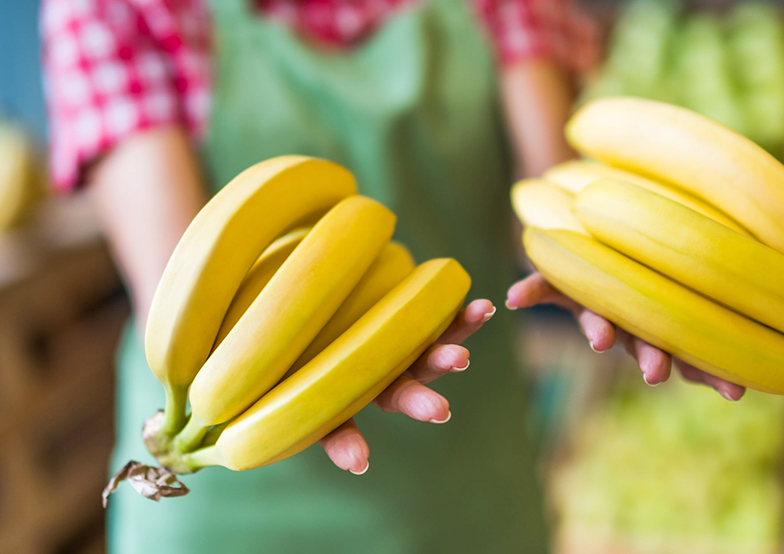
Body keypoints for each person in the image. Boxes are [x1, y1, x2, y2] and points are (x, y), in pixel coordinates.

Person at [41, 0, 745, 552]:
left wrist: (614, 278)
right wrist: (331, 373)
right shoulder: (117, 4)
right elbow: (183, 285)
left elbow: (551, 193)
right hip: (235, 495)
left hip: (466, 484)